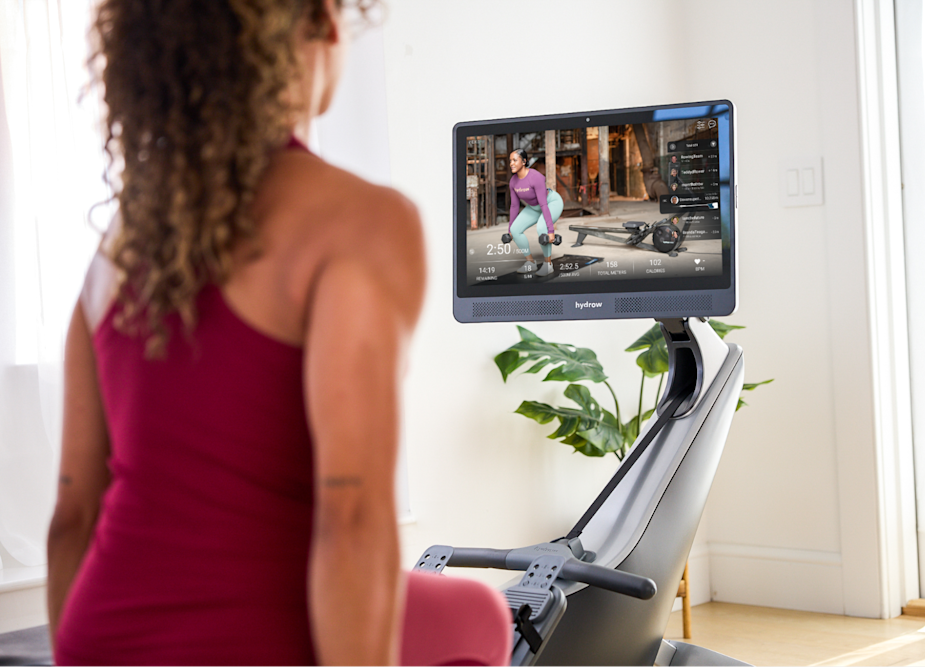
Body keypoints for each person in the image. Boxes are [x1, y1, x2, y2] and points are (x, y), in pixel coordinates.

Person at [46, 1, 512, 665]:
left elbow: (72, 520)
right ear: (320, 20)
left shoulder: (115, 250)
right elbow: (350, 520)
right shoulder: (360, 222)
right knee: (481, 614)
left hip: (101, 634)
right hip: (261, 638)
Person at [507, 149, 564, 277]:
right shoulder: (513, 181)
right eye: (510, 160)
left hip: (551, 202)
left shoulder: (535, 177)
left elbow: (543, 204)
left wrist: (550, 231)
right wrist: (510, 228)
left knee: (541, 227)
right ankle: (530, 263)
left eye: (515, 160)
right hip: (533, 207)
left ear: (524, 161)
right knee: (515, 229)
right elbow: (514, 205)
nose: (511, 163)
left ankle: (548, 265)